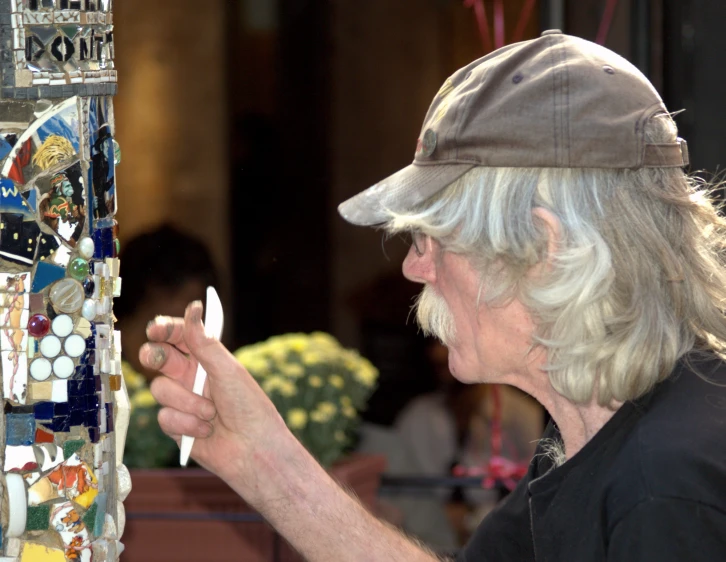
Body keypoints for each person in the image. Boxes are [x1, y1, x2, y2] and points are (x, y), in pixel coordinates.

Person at [141, 31, 726, 561]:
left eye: (436, 237)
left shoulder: (667, 491)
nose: (416, 267)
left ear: (545, 249)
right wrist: (261, 458)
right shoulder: (609, 428)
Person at [115, 224, 218, 468]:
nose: (194, 309)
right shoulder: (104, 360)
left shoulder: (201, 369)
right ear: (151, 292)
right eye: (182, 295)